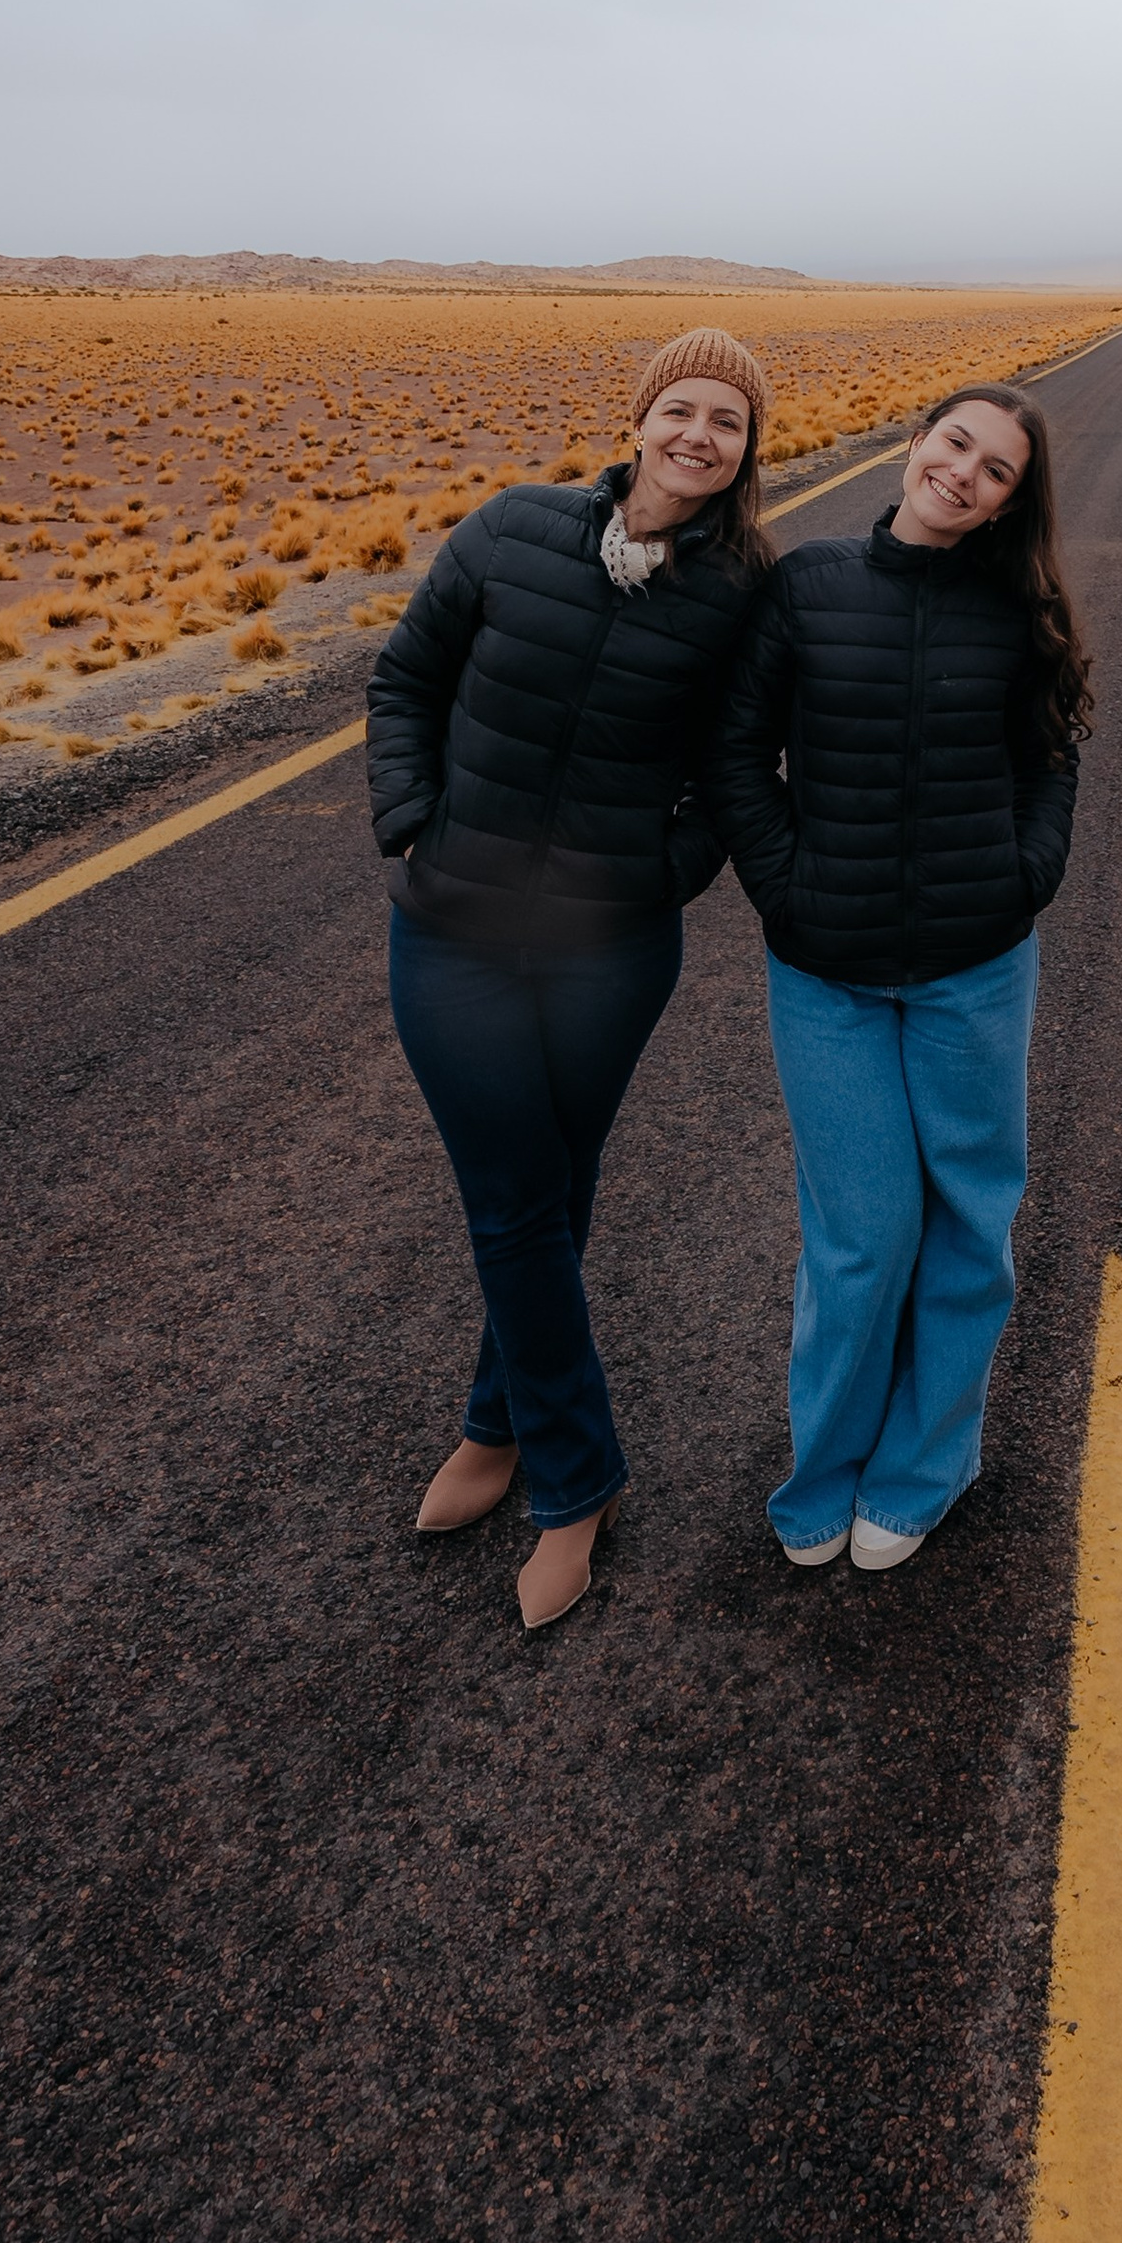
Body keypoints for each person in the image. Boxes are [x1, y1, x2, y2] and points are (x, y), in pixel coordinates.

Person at [368, 326, 771, 1632]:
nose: (700, 435)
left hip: (609, 954)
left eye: (728, 420)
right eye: (683, 409)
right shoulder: (511, 528)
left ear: (748, 449)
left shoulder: (738, 598)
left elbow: (735, 782)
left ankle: (496, 1423)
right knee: (514, 1197)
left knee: (545, 1192)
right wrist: (410, 818)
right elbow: (406, 678)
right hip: (455, 928)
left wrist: (654, 879)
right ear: (643, 417)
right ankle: (577, 1478)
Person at [711, 385, 1090, 1574]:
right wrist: (788, 886)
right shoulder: (807, 584)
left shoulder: (1018, 611)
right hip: (826, 973)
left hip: (976, 971)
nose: (965, 474)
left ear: (1008, 504)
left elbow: (1051, 760)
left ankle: (926, 1467)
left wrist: (1023, 877)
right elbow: (734, 750)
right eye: (956, 444)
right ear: (917, 442)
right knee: (862, 1234)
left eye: (996, 471)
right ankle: (822, 1472)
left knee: (969, 1227)